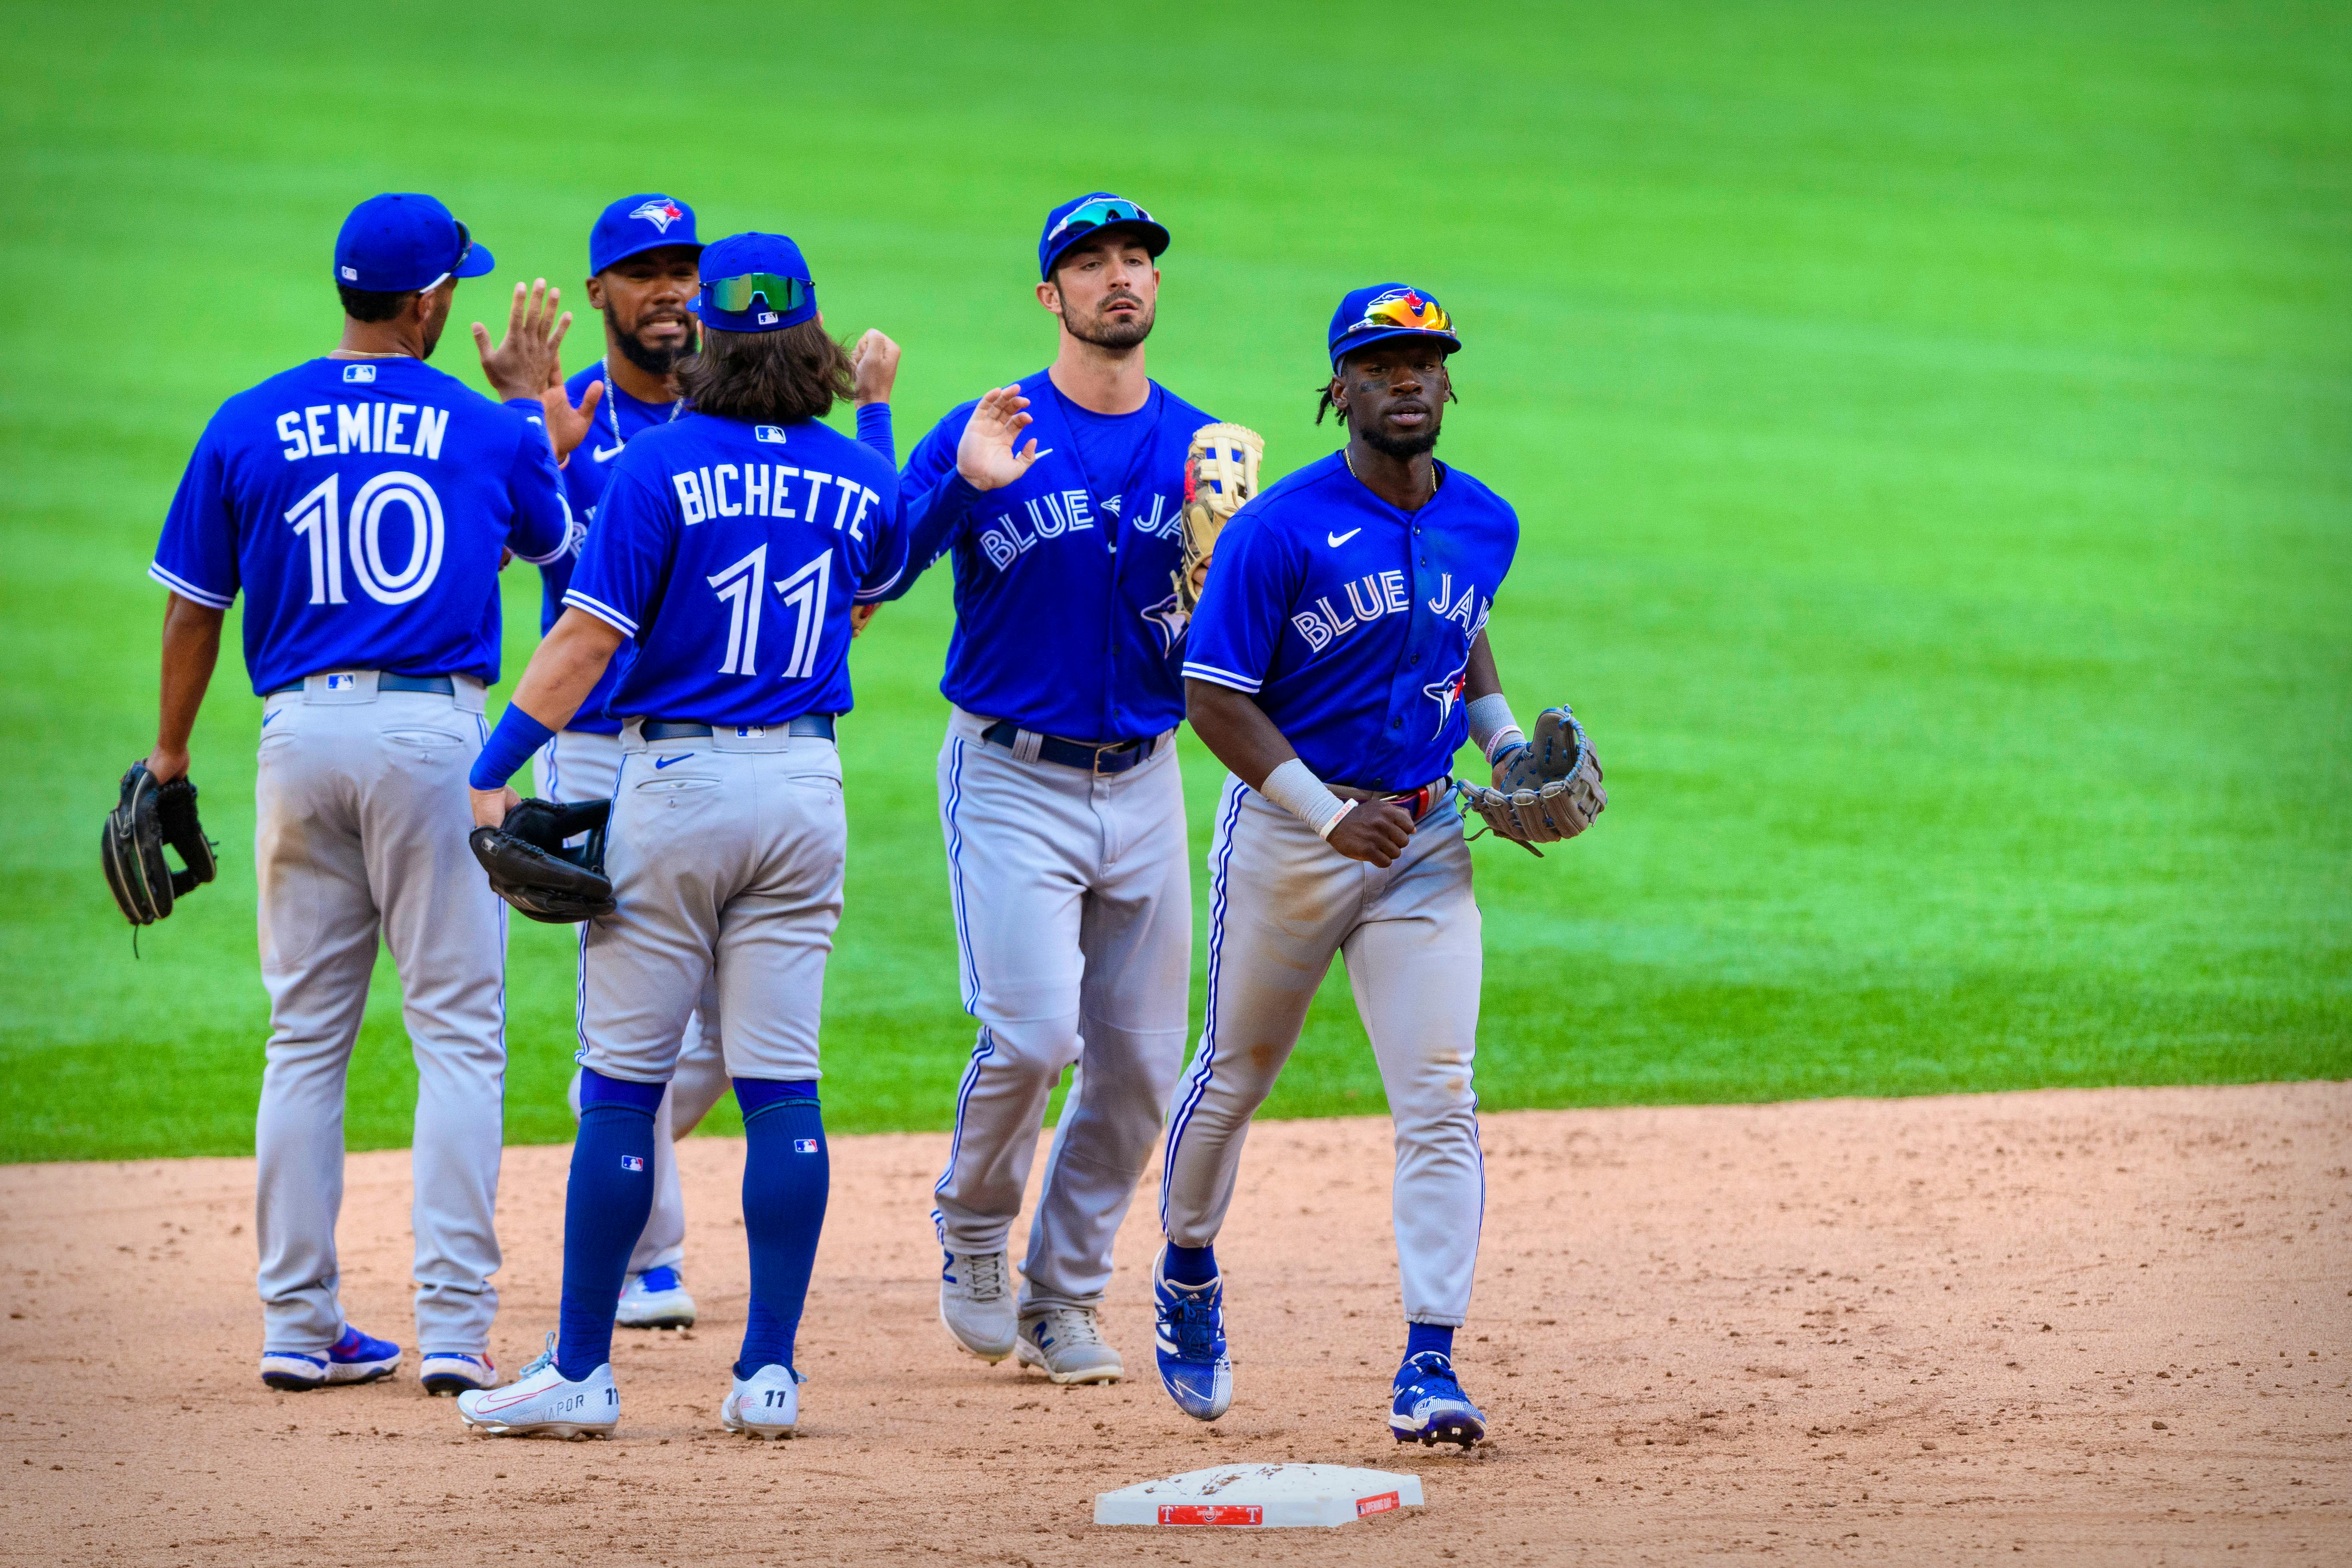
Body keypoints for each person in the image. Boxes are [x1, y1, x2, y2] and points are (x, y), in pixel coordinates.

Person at [453, 231, 906, 1439]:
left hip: (680, 782)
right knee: (779, 1087)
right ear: (812, 339)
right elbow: (887, 560)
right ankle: (768, 1373)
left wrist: (491, 773)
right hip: (807, 788)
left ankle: (582, 1369)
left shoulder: (657, 464)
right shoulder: (858, 478)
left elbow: (586, 641)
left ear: (705, 335)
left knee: (620, 1087)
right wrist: (874, 418)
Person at [141, 192, 583, 1397]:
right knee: (455, 1033)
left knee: (303, 1037)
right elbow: (567, 570)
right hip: (434, 738)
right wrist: (521, 410)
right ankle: (452, 1325)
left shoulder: (248, 421)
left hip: (298, 736)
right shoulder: (488, 430)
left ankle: (298, 1322)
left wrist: (169, 759)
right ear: (432, 301)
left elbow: (194, 608)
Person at [1154, 284, 1573, 1448]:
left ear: (1448, 382)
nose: (1405, 379)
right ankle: (1186, 1267)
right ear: (1337, 387)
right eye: (1378, 362)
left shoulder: (1484, 518)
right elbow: (1211, 698)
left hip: (1430, 841)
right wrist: (1323, 811)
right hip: (1293, 837)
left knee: (1440, 1093)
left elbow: (1460, 626)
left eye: (1423, 361)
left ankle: (1429, 1361)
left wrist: (1502, 749)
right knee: (1234, 1072)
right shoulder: (1277, 530)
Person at [866, 194, 1218, 1384]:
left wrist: (1229, 577)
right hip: (1012, 775)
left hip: (1150, 779)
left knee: (1138, 1070)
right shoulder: (993, 424)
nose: (1119, 277)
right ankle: (972, 1221)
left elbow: (1243, 648)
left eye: (1136, 260)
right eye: (1091, 262)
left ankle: (1061, 1293)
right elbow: (874, 576)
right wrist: (962, 484)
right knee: (1030, 1033)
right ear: (1049, 295)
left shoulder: (1210, 453)